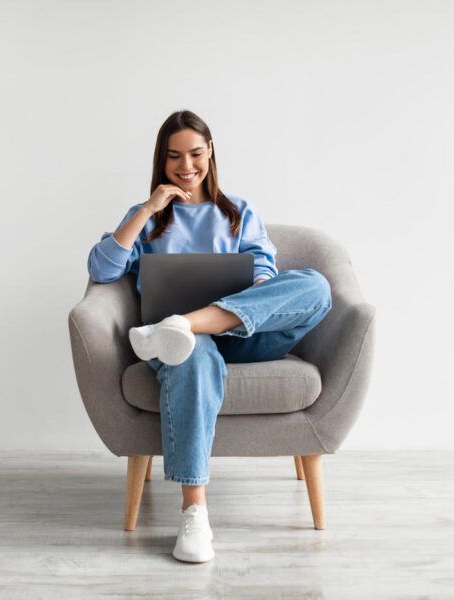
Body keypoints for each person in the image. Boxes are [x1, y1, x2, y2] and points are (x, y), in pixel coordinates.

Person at [86, 110, 332, 563]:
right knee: (191, 353)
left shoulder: (238, 211)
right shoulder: (149, 219)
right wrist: (145, 210)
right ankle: (194, 513)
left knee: (315, 285)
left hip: (241, 333)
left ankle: (189, 320)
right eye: (174, 157)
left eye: (196, 153)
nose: (186, 166)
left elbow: (264, 271)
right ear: (161, 161)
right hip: (179, 349)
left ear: (211, 152)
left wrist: (254, 297)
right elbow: (102, 270)